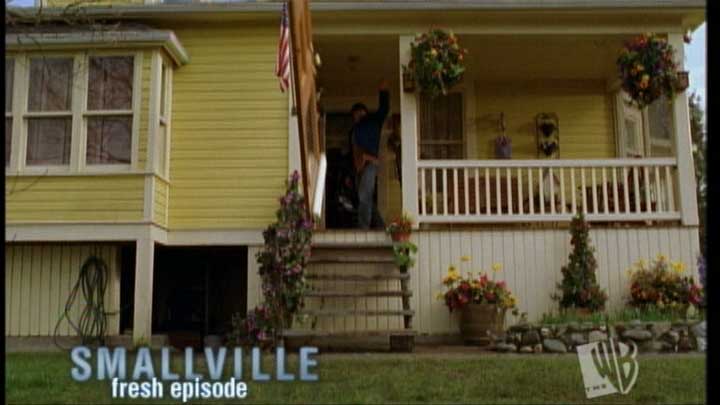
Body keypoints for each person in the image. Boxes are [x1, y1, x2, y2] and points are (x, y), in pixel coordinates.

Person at [349, 80, 389, 229]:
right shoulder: (355, 130)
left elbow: (384, 110)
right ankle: (381, 226)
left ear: (364, 112)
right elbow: (354, 150)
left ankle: (363, 228)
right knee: (365, 198)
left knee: (364, 195)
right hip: (361, 166)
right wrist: (356, 167)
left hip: (371, 162)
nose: (357, 116)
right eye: (355, 115)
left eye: (359, 113)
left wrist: (383, 92)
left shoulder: (372, 121)